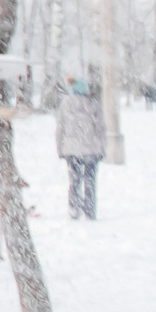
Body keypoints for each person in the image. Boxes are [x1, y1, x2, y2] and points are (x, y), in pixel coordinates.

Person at [57, 76, 105, 220]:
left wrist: (60, 149)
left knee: (74, 181)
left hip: (71, 150)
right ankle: (89, 210)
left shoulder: (65, 104)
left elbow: (60, 129)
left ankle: (74, 208)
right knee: (90, 181)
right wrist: (102, 148)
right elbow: (101, 128)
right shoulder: (93, 104)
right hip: (92, 149)